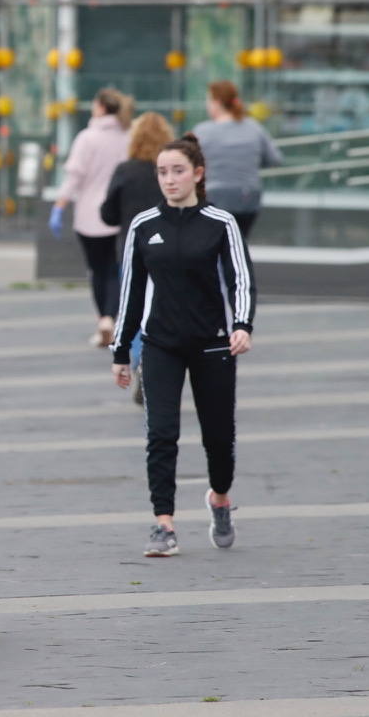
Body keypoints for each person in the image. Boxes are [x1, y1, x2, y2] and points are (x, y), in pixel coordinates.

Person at [110, 134, 256, 558]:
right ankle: (163, 525)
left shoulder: (220, 223)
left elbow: (241, 280)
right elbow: (130, 295)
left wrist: (242, 326)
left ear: (197, 173)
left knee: (218, 438)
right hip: (161, 345)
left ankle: (220, 498)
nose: (169, 179)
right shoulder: (144, 226)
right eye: (162, 172)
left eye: (177, 171)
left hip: (213, 344)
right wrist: (122, 353)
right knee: (161, 434)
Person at [100, 111, 175, 404]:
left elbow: (108, 214)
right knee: (163, 308)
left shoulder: (125, 170)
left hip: (131, 249)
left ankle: (138, 361)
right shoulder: (169, 172)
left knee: (132, 308)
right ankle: (157, 363)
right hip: (168, 248)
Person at [49, 88, 132, 347]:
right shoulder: (128, 136)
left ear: (100, 108)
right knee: (115, 269)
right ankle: (113, 317)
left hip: (89, 215)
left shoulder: (87, 137)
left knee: (97, 270)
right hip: (119, 214)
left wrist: (59, 205)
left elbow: (75, 175)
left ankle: (103, 320)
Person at [192, 81, 284, 239]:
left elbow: (186, 162)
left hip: (214, 197)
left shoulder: (202, 131)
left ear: (217, 103)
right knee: (239, 242)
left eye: (208, 101)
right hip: (248, 198)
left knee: (214, 243)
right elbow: (275, 159)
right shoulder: (254, 127)